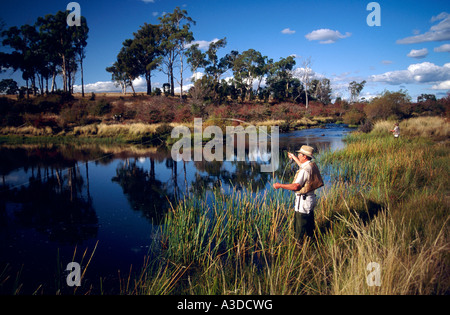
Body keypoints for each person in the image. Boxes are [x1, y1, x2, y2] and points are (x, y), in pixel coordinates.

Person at [273, 145, 324, 242]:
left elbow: (296, 186)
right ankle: (311, 242)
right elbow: (301, 164)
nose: (299, 155)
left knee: (299, 226)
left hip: (303, 202)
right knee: (309, 224)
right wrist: (293, 157)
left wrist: (280, 185)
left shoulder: (304, 170)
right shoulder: (311, 165)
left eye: (299, 154)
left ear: (304, 156)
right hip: (310, 199)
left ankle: (299, 246)